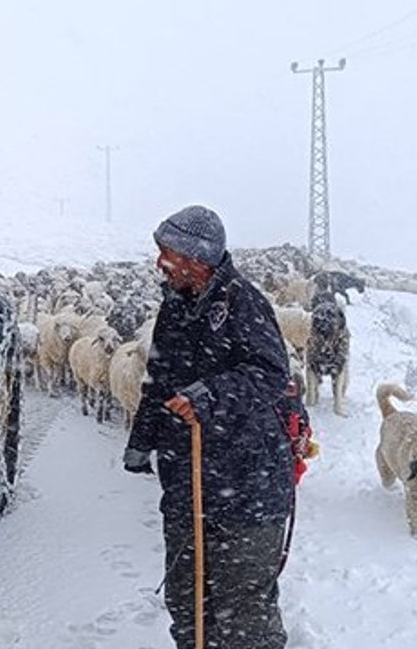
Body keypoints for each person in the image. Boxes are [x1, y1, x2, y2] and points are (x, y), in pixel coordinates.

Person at [124, 205, 294, 649]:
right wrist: (143, 438)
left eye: (167, 253)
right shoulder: (175, 305)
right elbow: (160, 377)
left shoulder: (243, 302)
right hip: (188, 482)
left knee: (243, 612)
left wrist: (211, 395)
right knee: (188, 604)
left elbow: (272, 373)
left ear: (196, 258)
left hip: (247, 484)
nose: (160, 262)